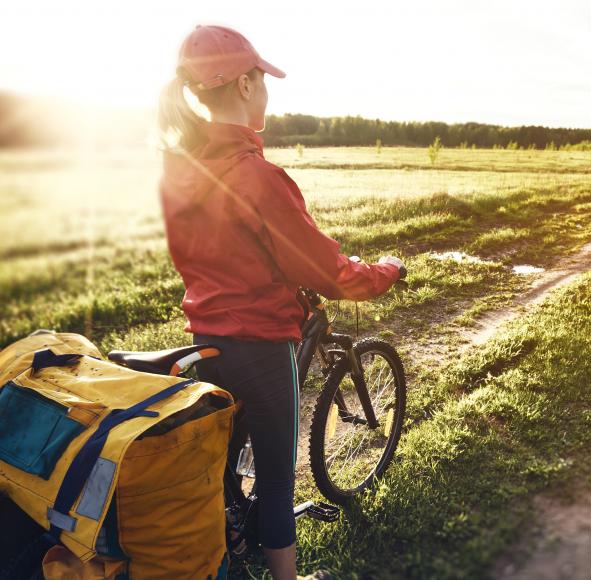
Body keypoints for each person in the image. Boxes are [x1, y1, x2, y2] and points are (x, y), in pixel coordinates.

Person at [156, 24, 404, 580]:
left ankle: (226, 541)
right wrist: (384, 271)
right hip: (262, 346)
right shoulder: (258, 176)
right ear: (244, 85)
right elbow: (326, 272)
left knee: (221, 457)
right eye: (263, 78)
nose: (267, 89)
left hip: (208, 337)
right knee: (274, 472)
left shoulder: (179, 173)